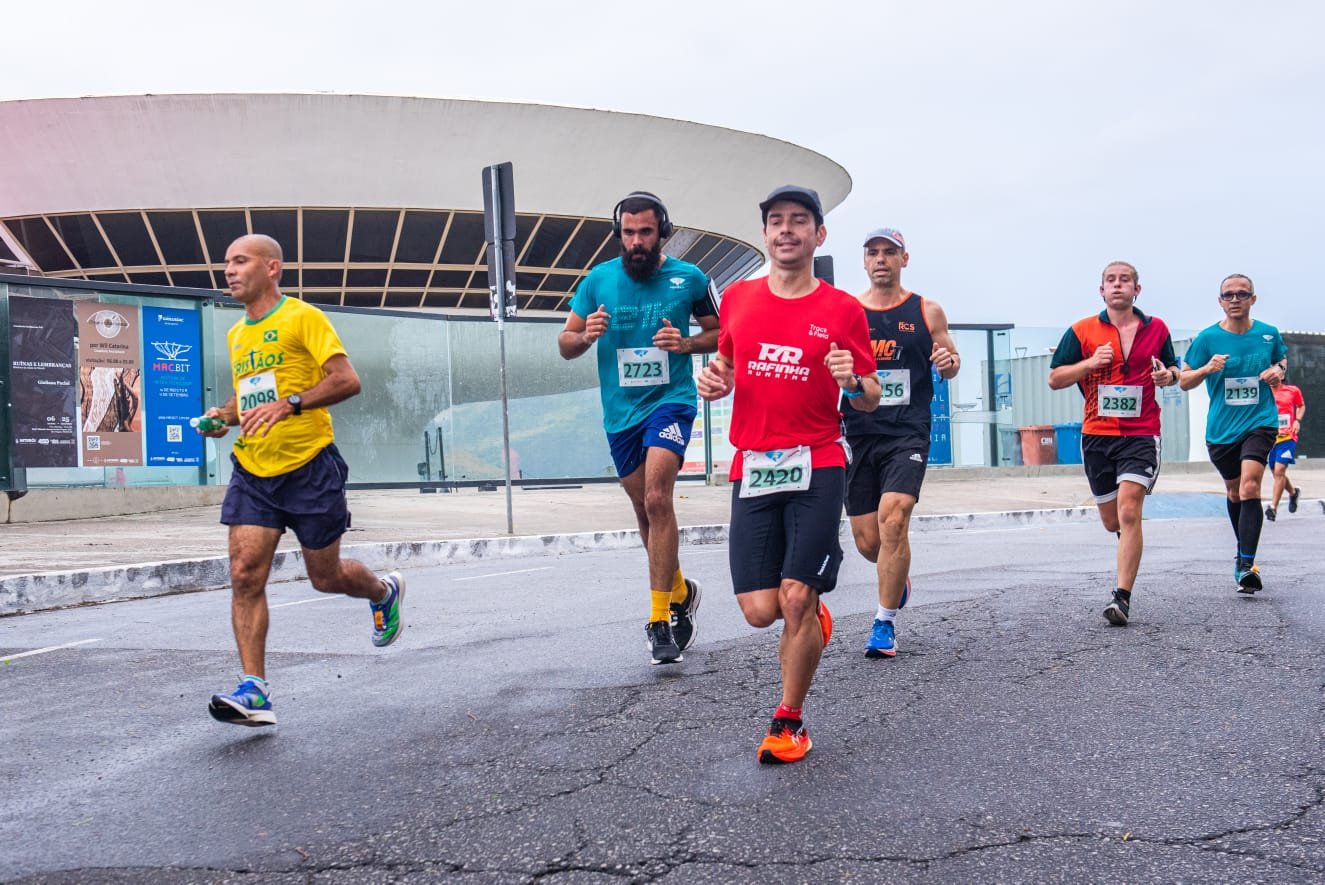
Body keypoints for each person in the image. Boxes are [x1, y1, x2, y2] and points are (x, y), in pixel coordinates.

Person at [697, 185, 880, 764]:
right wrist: (716, 379)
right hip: (752, 466)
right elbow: (727, 361)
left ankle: (789, 720)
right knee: (759, 611)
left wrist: (853, 380)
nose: (786, 231)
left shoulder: (842, 309)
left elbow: (871, 396)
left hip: (819, 461)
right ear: (766, 234)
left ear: (818, 235)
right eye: (776, 221)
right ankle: (811, 607)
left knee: (795, 599)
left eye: (798, 221)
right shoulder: (740, 300)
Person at [199, 234, 405, 727]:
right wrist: (222, 416)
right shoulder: (238, 335)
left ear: (271, 268)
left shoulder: (302, 317)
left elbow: (346, 379)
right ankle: (255, 690)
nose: (228, 271)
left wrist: (290, 404)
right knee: (245, 573)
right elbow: (249, 399)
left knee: (325, 577)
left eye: (239, 261)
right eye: (226, 263)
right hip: (254, 468)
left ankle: (381, 592)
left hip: (309, 465)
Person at [559, 192, 719, 665]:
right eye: (628, 233)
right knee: (643, 510)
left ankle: (659, 620)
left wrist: (687, 343)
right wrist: (586, 335)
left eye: (645, 232)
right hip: (620, 413)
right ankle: (682, 591)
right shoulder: (598, 281)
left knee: (657, 498)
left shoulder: (689, 278)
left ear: (661, 232)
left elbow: (722, 331)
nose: (636, 242)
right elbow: (565, 343)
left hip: (670, 403)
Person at [843, 228, 959, 656]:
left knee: (895, 519)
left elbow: (951, 363)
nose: (880, 260)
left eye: (889, 253)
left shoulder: (927, 310)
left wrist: (948, 362)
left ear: (904, 259)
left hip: (908, 431)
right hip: (858, 431)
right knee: (869, 542)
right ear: (864, 261)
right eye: (872, 253)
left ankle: (883, 623)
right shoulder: (848, 310)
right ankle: (898, 575)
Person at [1048, 261, 1181, 626]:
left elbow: (1173, 372)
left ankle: (1121, 598)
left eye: (1125, 280)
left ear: (1137, 289)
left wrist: (1166, 375)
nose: (1118, 285)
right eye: (1111, 280)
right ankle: (1128, 540)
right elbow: (1056, 378)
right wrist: (1090, 363)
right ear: (1101, 290)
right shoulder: (1082, 330)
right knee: (1112, 521)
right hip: (1097, 436)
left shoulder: (1157, 329)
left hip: (1140, 433)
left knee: (1128, 509)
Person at [1179, 273, 1288, 593]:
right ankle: (1243, 553)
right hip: (1222, 429)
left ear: (1253, 299)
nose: (1235, 299)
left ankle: (1245, 564)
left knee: (1251, 485)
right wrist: (1206, 369)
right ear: (1220, 301)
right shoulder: (1207, 338)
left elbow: (1282, 360)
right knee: (1234, 492)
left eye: (1242, 294)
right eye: (1228, 295)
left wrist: (1277, 371)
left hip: (1261, 421)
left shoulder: (1268, 334)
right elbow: (1184, 380)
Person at [1265, 376, 1305, 520]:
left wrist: (1297, 421)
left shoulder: (1292, 390)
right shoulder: (1264, 392)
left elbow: (1301, 406)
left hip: (1288, 438)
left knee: (1279, 470)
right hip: (1270, 439)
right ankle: (1293, 493)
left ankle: (1273, 508)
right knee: (1277, 473)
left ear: (1281, 375)